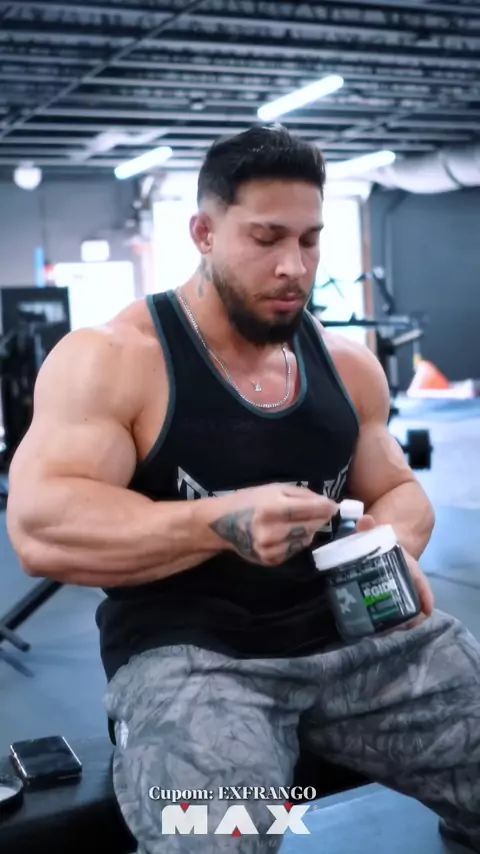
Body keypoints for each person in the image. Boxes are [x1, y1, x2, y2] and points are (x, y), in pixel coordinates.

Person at [6, 126, 480, 854]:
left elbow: (398, 490)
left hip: (356, 641)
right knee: (211, 837)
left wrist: (388, 546)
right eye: (266, 238)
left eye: (310, 240)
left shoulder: (346, 365)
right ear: (203, 232)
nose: (295, 266)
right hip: (194, 662)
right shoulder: (116, 358)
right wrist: (220, 520)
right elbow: (41, 527)